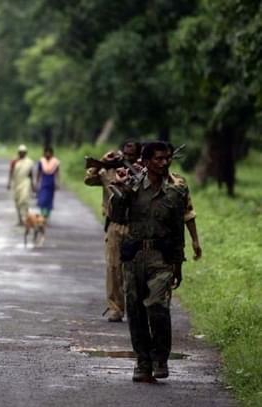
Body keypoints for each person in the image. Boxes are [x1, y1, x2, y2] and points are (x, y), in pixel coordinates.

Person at [109, 141, 188, 382]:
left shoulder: (175, 191)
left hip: (161, 258)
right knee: (135, 310)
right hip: (134, 258)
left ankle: (160, 358)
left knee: (157, 307)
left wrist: (178, 264)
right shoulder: (132, 186)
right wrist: (120, 190)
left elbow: (178, 230)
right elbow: (116, 216)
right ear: (146, 160)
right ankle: (142, 361)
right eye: (158, 159)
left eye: (167, 158)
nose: (164, 163)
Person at [84, 140, 141, 322]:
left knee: (134, 270)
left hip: (136, 226)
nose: (129, 159)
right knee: (113, 268)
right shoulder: (109, 170)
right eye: (127, 155)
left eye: (133, 156)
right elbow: (89, 179)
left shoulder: (143, 173)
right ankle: (116, 308)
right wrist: (102, 161)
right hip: (114, 225)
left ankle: (136, 307)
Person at [7, 144, 35, 225]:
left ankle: (26, 218)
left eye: (23, 152)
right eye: (20, 152)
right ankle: (20, 219)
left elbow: (30, 174)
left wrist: (33, 185)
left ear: (26, 153)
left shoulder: (29, 162)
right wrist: (9, 182)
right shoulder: (14, 161)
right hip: (17, 183)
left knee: (24, 200)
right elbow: (11, 172)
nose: (22, 154)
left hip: (26, 182)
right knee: (17, 202)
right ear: (18, 152)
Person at [36, 146, 60, 220]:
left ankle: (47, 214)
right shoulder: (42, 161)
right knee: (42, 198)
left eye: (49, 152)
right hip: (44, 181)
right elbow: (39, 172)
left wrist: (57, 182)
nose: (47, 153)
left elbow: (57, 173)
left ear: (52, 153)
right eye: (46, 152)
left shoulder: (55, 161)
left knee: (49, 198)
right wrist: (37, 181)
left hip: (51, 181)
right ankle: (43, 213)